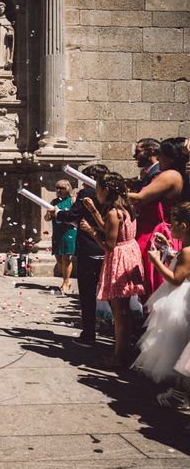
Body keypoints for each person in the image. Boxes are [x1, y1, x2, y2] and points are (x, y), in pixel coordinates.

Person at [80, 172, 145, 368]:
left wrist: (91, 232)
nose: (96, 193)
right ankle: (124, 351)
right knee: (123, 309)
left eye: (98, 189)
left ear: (106, 190)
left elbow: (108, 244)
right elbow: (109, 228)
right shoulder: (126, 208)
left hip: (118, 258)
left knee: (119, 312)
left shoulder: (113, 212)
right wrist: (93, 212)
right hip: (130, 253)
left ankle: (119, 357)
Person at [47, 164, 109, 347]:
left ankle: (89, 334)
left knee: (88, 291)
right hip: (108, 246)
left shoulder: (87, 193)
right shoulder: (111, 192)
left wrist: (58, 214)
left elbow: (73, 215)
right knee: (109, 290)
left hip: (89, 247)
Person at [132, 202, 190, 386]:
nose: (169, 226)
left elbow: (176, 278)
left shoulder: (188, 252)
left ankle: (179, 390)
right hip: (178, 296)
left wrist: (156, 261)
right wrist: (167, 250)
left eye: (172, 223)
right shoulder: (186, 248)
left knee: (174, 345)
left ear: (183, 226)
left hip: (179, 301)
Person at [129, 137, 189, 300]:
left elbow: (140, 197)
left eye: (161, 154)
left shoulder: (170, 175)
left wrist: (114, 191)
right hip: (168, 232)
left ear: (170, 157)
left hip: (160, 232)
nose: (158, 157)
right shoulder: (180, 174)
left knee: (155, 284)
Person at [45, 180, 76, 294]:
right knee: (58, 258)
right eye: (57, 188)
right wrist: (48, 214)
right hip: (57, 232)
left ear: (67, 188)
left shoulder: (72, 200)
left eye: (61, 188)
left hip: (68, 232)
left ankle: (66, 281)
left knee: (66, 257)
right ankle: (65, 279)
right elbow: (46, 218)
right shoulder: (54, 202)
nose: (58, 190)